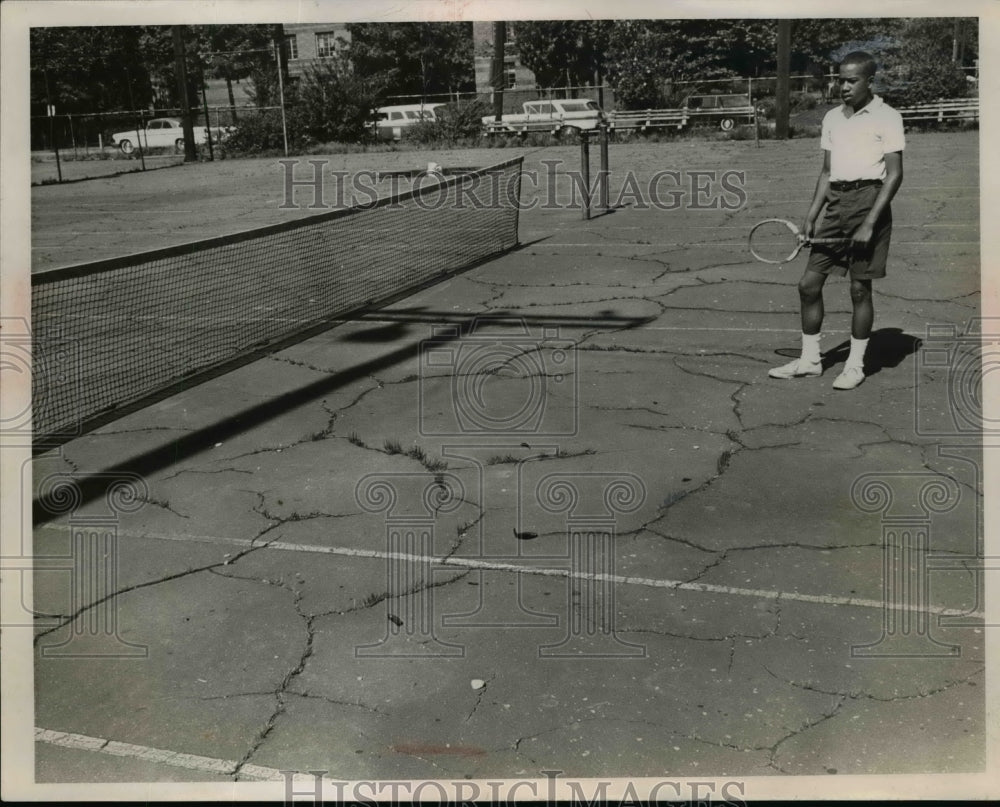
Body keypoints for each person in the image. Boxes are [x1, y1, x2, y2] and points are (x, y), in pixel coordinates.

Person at [769, 51, 904, 390]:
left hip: (869, 202)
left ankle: (855, 365)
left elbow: (894, 175)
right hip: (835, 206)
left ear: (869, 81)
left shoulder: (888, 117)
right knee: (808, 285)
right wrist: (811, 217)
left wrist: (870, 222)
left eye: (851, 80)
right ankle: (811, 361)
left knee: (859, 289)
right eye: (840, 79)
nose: (843, 86)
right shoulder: (831, 118)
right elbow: (827, 172)